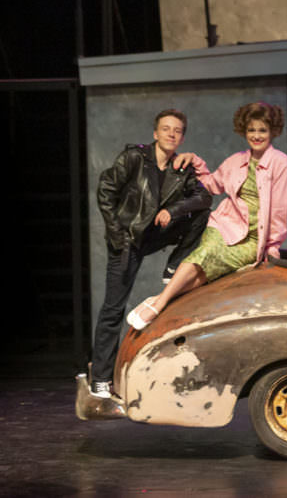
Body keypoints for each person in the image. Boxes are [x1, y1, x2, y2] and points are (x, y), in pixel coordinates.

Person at [125, 102, 287, 329]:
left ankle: (163, 298)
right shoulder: (236, 161)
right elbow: (210, 185)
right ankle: (161, 302)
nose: (256, 136)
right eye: (251, 130)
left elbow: (280, 212)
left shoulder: (282, 165)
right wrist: (194, 160)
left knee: (206, 273)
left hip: (253, 240)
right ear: (244, 131)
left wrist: (271, 248)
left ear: (273, 131)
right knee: (205, 252)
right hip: (225, 226)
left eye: (262, 130)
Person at [91, 109, 211, 398]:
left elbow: (204, 196)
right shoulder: (134, 157)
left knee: (201, 213)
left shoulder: (181, 167)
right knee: (113, 308)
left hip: (154, 233)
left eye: (177, 130)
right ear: (155, 133)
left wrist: (174, 210)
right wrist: (117, 234)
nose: (171, 134)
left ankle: (173, 267)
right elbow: (106, 190)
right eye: (166, 129)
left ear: (182, 137)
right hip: (127, 240)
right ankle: (101, 379)